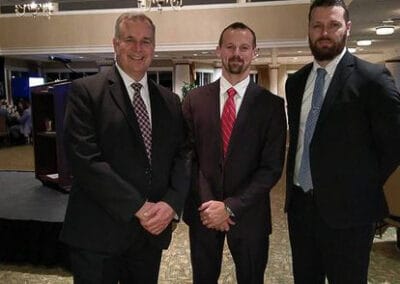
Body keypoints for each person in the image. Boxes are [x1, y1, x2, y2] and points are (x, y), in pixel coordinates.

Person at [60, 12, 190, 284]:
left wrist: (171, 203)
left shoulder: (169, 101)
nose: (138, 48)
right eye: (129, 40)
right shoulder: (86, 92)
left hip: (149, 236)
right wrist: (139, 207)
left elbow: (183, 155)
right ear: (115, 44)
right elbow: (85, 160)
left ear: (154, 47)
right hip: (98, 235)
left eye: (146, 41)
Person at [284, 0, 400, 283]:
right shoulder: (296, 81)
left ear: (347, 28)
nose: (325, 32)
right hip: (301, 209)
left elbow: (395, 143)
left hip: (350, 214)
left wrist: (361, 183)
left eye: (333, 25)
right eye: (317, 25)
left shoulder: (371, 78)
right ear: (309, 30)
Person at [182, 22, 287, 284]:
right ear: (219, 50)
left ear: (255, 53)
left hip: (250, 215)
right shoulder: (194, 100)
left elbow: (271, 167)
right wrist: (210, 205)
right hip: (203, 213)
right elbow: (187, 158)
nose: (236, 53)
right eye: (230, 46)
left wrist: (230, 207)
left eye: (244, 47)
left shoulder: (271, 106)